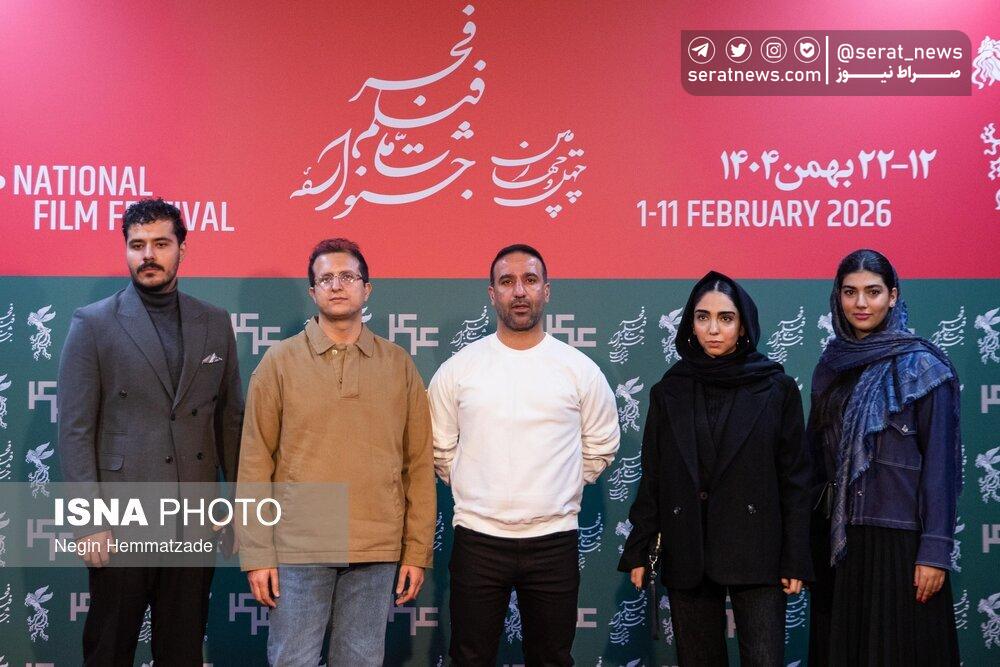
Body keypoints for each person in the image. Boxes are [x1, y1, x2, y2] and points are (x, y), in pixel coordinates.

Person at [58, 198, 244, 666]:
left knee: (182, 651)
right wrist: (87, 521)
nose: (148, 255)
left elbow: (229, 421)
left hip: (194, 520)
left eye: (161, 243)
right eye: (137, 244)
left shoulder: (215, 322)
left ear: (182, 248)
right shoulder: (93, 323)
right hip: (120, 521)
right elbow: (76, 430)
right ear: (126, 249)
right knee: (109, 649)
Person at [237, 238, 435, 666]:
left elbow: (419, 465)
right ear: (313, 292)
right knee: (292, 661)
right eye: (325, 279)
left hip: (376, 547)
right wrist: (257, 554)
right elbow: (254, 463)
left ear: (367, 288)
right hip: (298, 547)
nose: (337, 285)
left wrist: (416, 551)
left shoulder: (398, 364)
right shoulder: (279, 363)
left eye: (347, 276)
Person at [428, 244, 620, 666]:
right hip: (478, 539)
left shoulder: (579, 369)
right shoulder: (459, 369)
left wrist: (561, 486)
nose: (519, 291)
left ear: (546, 291)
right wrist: (473, 486)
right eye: (507, 281)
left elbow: (601, 443)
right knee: (469, 658)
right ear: (492, 293)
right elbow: (440, 447)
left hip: (554, 540)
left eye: (530, 280)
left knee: (552, 658)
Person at [618, 270, 813, 666]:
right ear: (690, 324)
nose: (712, 329)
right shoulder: (669, 390)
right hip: (688, 549)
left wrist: (796, 555)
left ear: (743, 325)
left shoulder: (776, 388)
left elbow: (795, 480)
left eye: (725, 318)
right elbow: (654, 477)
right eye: (702, 317)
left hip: (759, 552)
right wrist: (639, 546)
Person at [807, 249, 961, 666]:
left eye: (873, 292)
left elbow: (941, 469)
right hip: (839, 544)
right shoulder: (830, 367)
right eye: (850, 292)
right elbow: (814, 463)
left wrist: (934, 552)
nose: (861, 303)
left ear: (892, 296)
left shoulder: (924, 368)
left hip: (901, 544)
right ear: (837, 297)